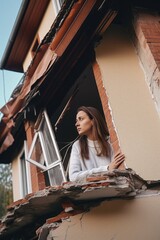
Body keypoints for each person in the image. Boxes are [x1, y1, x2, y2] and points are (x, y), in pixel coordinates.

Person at [69, 106, 125, 181]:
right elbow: (73, 177)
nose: (76, 124)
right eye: (76, 121)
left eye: (81, 119)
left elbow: (116, 170)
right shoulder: (77, 146)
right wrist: (106, 169)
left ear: (93, 121)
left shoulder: (111, 142)